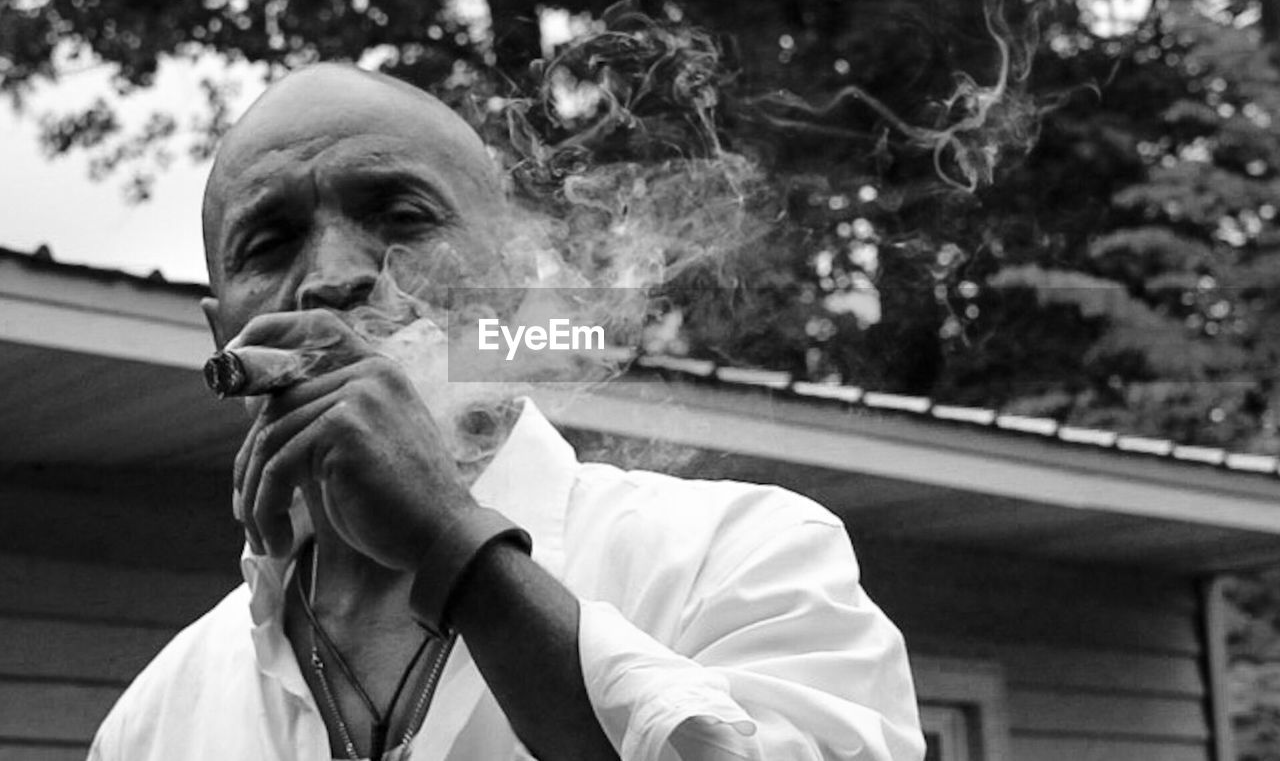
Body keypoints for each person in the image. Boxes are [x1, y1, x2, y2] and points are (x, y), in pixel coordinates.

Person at [87, 63, 924, 761]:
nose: (334, 277)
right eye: (268, 243)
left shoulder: (739, 560)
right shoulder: (154, 717)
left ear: (511, 280)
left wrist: (454, 544)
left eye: (401, 214)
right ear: (223, 333)